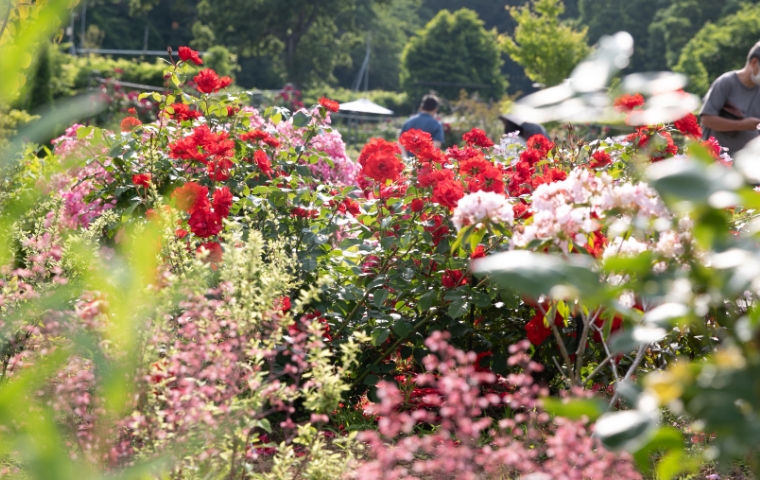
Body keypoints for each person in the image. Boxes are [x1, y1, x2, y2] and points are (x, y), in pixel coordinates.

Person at [700, 41, 760, 154]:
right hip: (718, 160)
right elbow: (706, 120)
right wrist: (742, 125)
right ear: (754, 62)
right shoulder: (726, 83)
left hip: (747, 162)